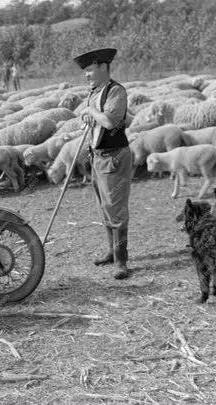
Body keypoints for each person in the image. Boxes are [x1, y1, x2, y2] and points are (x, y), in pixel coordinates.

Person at [74, 48, 132, 280]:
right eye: (85, 71)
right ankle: (111, 251)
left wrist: (90, 111)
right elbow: (94, 120)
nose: (87, 75)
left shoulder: (116, 91)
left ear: (102, 67)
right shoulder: (95, 92)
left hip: (115, 155)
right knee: (104, 206)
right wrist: (86, 116)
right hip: (97, 156)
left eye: (89, 70)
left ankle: (121, 261)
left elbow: (108, 121)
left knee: (115, 207)